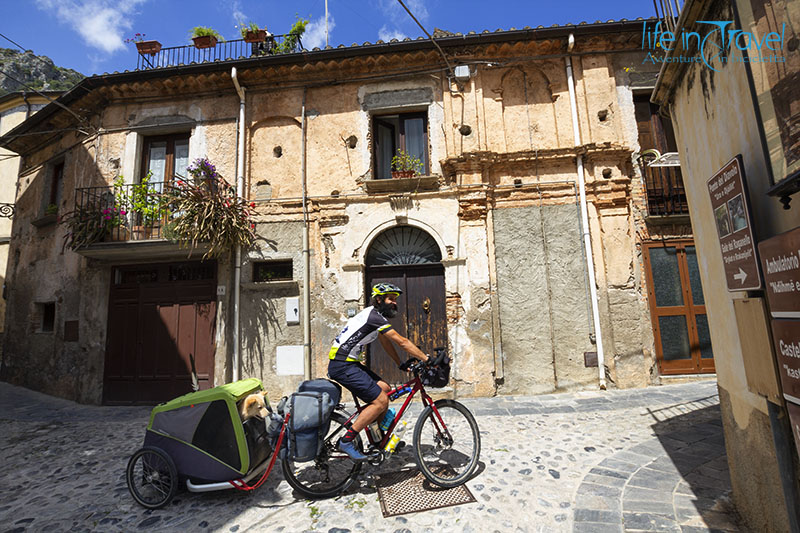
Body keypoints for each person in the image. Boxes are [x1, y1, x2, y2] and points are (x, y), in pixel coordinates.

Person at [328, 282, 429, 460]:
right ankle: (346, 441)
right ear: (379, 299)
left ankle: (377, 438)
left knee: (385, 388)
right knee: (380, 401)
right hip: (342, 364)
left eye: (396, 300)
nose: (394, 303)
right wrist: (427, 359)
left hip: (348, 363)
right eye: (391, 299)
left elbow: (386, 342)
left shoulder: (375, 317)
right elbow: (402, 341)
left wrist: (400, 363)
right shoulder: (373, 316)